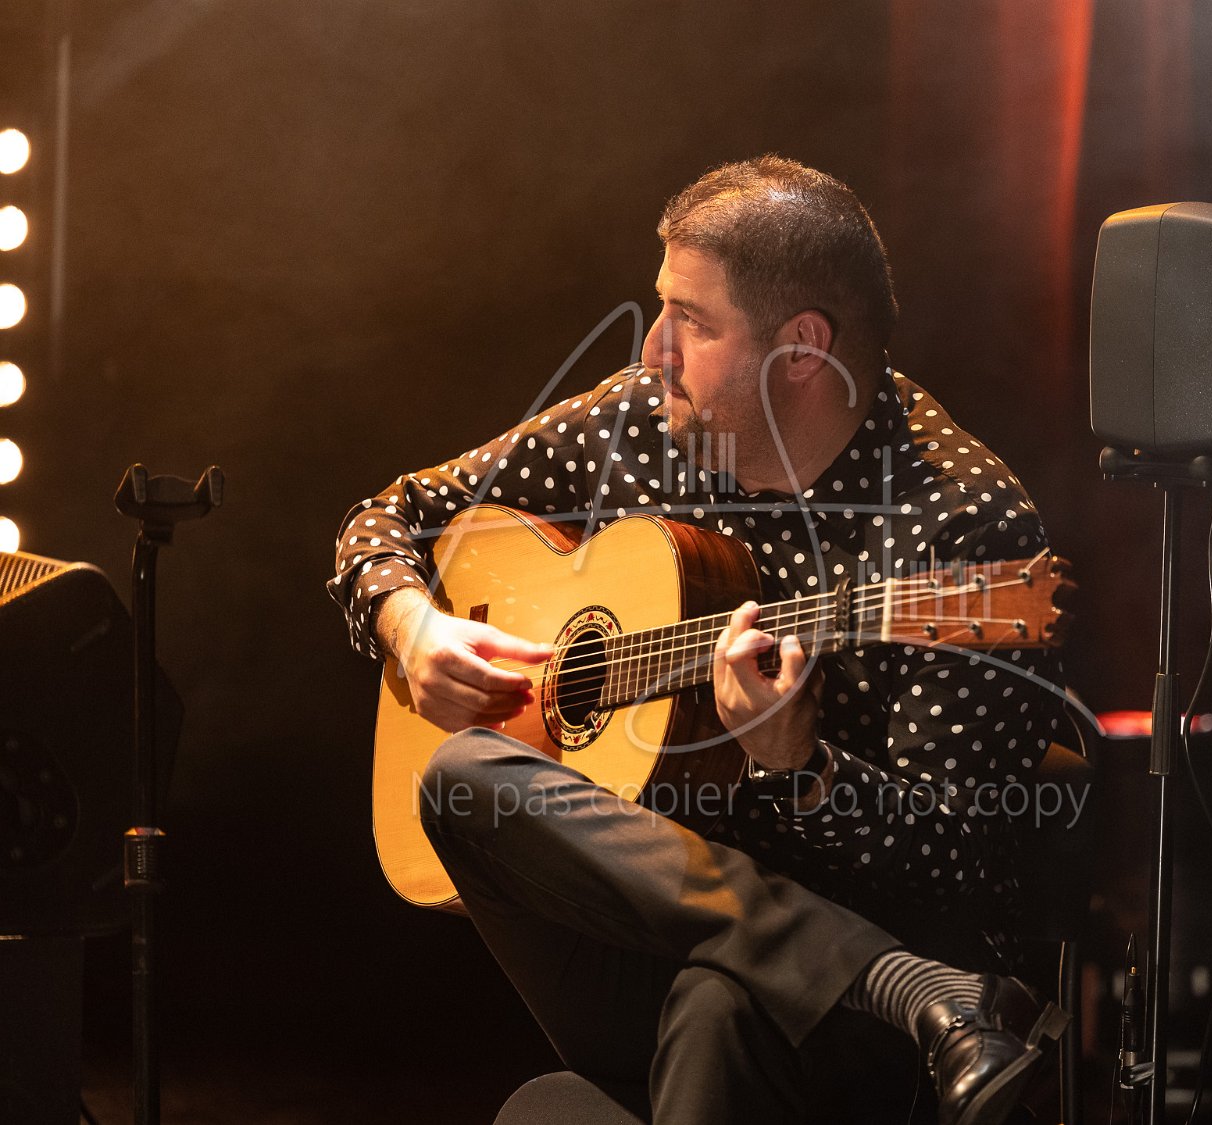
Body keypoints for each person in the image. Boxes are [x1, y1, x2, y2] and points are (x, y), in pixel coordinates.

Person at [329, 155, 1070, 1124]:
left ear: (802, 347)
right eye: (660, 309)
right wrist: (413, 625)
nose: (654, 352)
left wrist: (804, 769)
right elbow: (391, 516)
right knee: (464, 775)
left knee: (691, 1028)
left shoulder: (965, 533)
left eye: (693, 320)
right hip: (665, 946)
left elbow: (961, 869)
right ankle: (890, 980)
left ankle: (896, 985)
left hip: (873, 1039)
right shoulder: (641, 422)